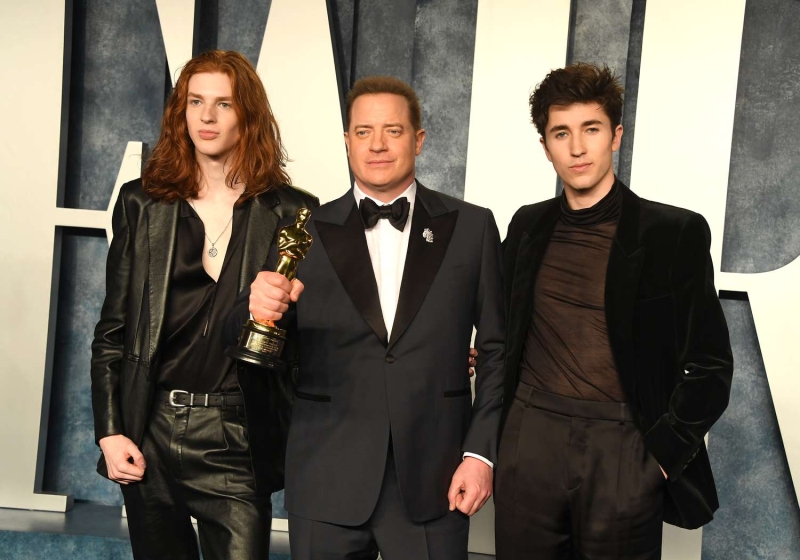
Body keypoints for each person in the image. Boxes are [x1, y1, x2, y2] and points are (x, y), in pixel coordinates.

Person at [226, 75, 505, 560]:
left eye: (393, 131)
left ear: (418, 139)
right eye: (363, 132)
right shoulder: (302, 231)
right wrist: (254, 308)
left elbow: (499, 350)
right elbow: (257, 337)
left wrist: (480, 455)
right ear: (347, 141)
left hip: (435, 479)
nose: (377, 144)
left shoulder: (472, 226)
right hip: (324, 476)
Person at [494, 62, 734, 559]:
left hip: (623, 445)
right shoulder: (526, 226)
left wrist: (660, 459)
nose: (577, 148)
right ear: (545, 146)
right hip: (529, 440)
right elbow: (498, 328)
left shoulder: (672, 234)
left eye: (591, 129)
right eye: (561, 133)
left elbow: (711, 366)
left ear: (616, 136)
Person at [90, 50, 318, 560]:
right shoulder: (142, 203)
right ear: (181, 111)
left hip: (237, 433)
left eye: (223, 103)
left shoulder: (293, 212)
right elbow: (113, 330)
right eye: (195, 101)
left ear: (249, 116)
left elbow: (309, 341)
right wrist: (110, 430)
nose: (207, 117)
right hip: (151, 427)